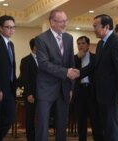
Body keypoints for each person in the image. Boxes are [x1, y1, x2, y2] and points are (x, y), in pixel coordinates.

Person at [81, 14, 118, 141]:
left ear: (106, 27)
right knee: (105, 130)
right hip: (101, 96)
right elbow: (94, 65)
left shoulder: (116, 43)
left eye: (95, 26)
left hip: (112, 96)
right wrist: (77, 73)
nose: (93, 28)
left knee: (112, 130)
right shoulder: (101, 44)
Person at [34, 9, 79, 141]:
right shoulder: (41, 39)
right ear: (52, 22)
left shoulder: (69, 38)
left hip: (64, 88)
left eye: (66, 21)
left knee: (62, 125)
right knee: (42, 125)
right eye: (62, 21)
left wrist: (71, 87)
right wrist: (65, 72)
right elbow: (43, 63)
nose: (65, 24)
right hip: (45, 89)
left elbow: (71, 62)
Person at [74, 36, 103, 141]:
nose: (80, 46)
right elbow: (71, 72)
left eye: (83, 43)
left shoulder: (95, 58)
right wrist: (77, 57)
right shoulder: (74, 59)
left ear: (88, 45)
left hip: (92, 91)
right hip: (79, 92)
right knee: (81, 121)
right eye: (78, 44)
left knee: (95, 120)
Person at [19, 38, 38, 141]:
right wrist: (29, 94)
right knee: (30, 118)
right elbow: (25, 79)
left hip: (43, 94)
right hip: (31, 94)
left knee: (42, 118)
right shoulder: (26, 60)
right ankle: (31, 138)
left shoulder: (44, 59)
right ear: (34, 47)